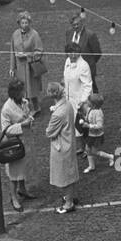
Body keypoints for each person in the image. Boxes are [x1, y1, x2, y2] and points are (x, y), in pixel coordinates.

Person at [0, 79, 37, 212]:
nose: (24, 92)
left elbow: (28, 114)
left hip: (25, 141)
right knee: (14, 173)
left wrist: (30, 118)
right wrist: (22, 125)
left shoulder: (24, 102)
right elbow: (6, 130)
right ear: (15, 92)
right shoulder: (7, 109)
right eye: (21, 90)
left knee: (24, 168)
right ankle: (13, 197)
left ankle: (22, 189)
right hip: (14, 145)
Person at [45, 83, 79, 214]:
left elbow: (49, 132)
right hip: (69, 142)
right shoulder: (68, 104)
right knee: (70, 172)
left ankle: (68, 203)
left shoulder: (58, 114)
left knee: (64, 176)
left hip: (61, 146)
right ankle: (71, 197)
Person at [9, 11, 47, 117]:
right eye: (23, 23)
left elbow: (39, 51)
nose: (25, 25)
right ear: (19, 23)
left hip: (30, 67)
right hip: (20, 68)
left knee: (31, 89)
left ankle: (35, 107)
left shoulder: (34, 34)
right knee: (22, 89)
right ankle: (26, 108)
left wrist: (26, 55)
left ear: (29, 23)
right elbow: (12, 51)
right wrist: (12, 67)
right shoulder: (15, 34)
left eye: (26, 23)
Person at [65, 11, 102, 89]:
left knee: (89, 87)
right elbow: (67, 48)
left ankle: (96, 100)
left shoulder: (90, 35)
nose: (75, 26)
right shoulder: (69, 32)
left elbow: (97, 53)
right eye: (73, 25)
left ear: (82, 23)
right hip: (73, 66)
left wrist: (89, 62)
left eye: (77, 24)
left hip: (87, 67)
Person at [83, 93, 115, 172]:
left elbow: (100, 126)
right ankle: (91, 166)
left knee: (94, 151)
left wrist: (89, 126)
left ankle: (110, 157)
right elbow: (88, 117)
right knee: (87, 149)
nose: (86, 102)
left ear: (93, 104)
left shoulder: (98, 113)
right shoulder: (91, 109)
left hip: (97, 136)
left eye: (88, 101)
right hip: (91, 135)